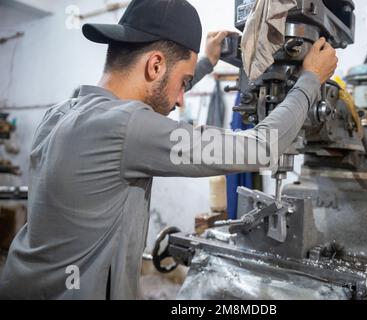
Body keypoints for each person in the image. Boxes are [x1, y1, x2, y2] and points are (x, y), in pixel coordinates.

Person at [0, 0, 337, 299]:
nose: (180, 100)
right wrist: (310, 80)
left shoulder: (61, 113)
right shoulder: (126, 126)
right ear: (155, 65)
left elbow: (157, 96)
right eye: (183, 84)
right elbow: (262, 147)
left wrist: (204, 62)